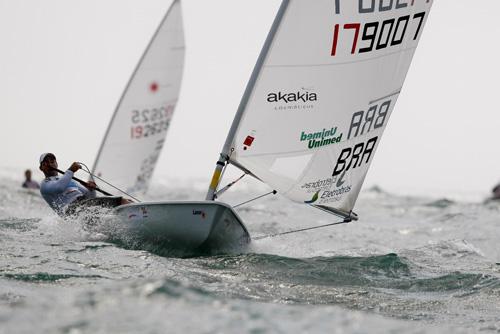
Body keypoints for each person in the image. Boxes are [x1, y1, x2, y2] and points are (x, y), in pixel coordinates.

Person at [39, 153, 131, 216]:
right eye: (45, 163)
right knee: (121, 201)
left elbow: (89, 196)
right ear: (41, 168)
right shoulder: (45, 184)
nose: (50, 164)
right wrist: (70, 170)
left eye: (52, 162)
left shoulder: (67, 179)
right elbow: (59, 187)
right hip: (71, 211)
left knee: (126, 202)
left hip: (84, 205)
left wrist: (91, 189)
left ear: (56, 164)